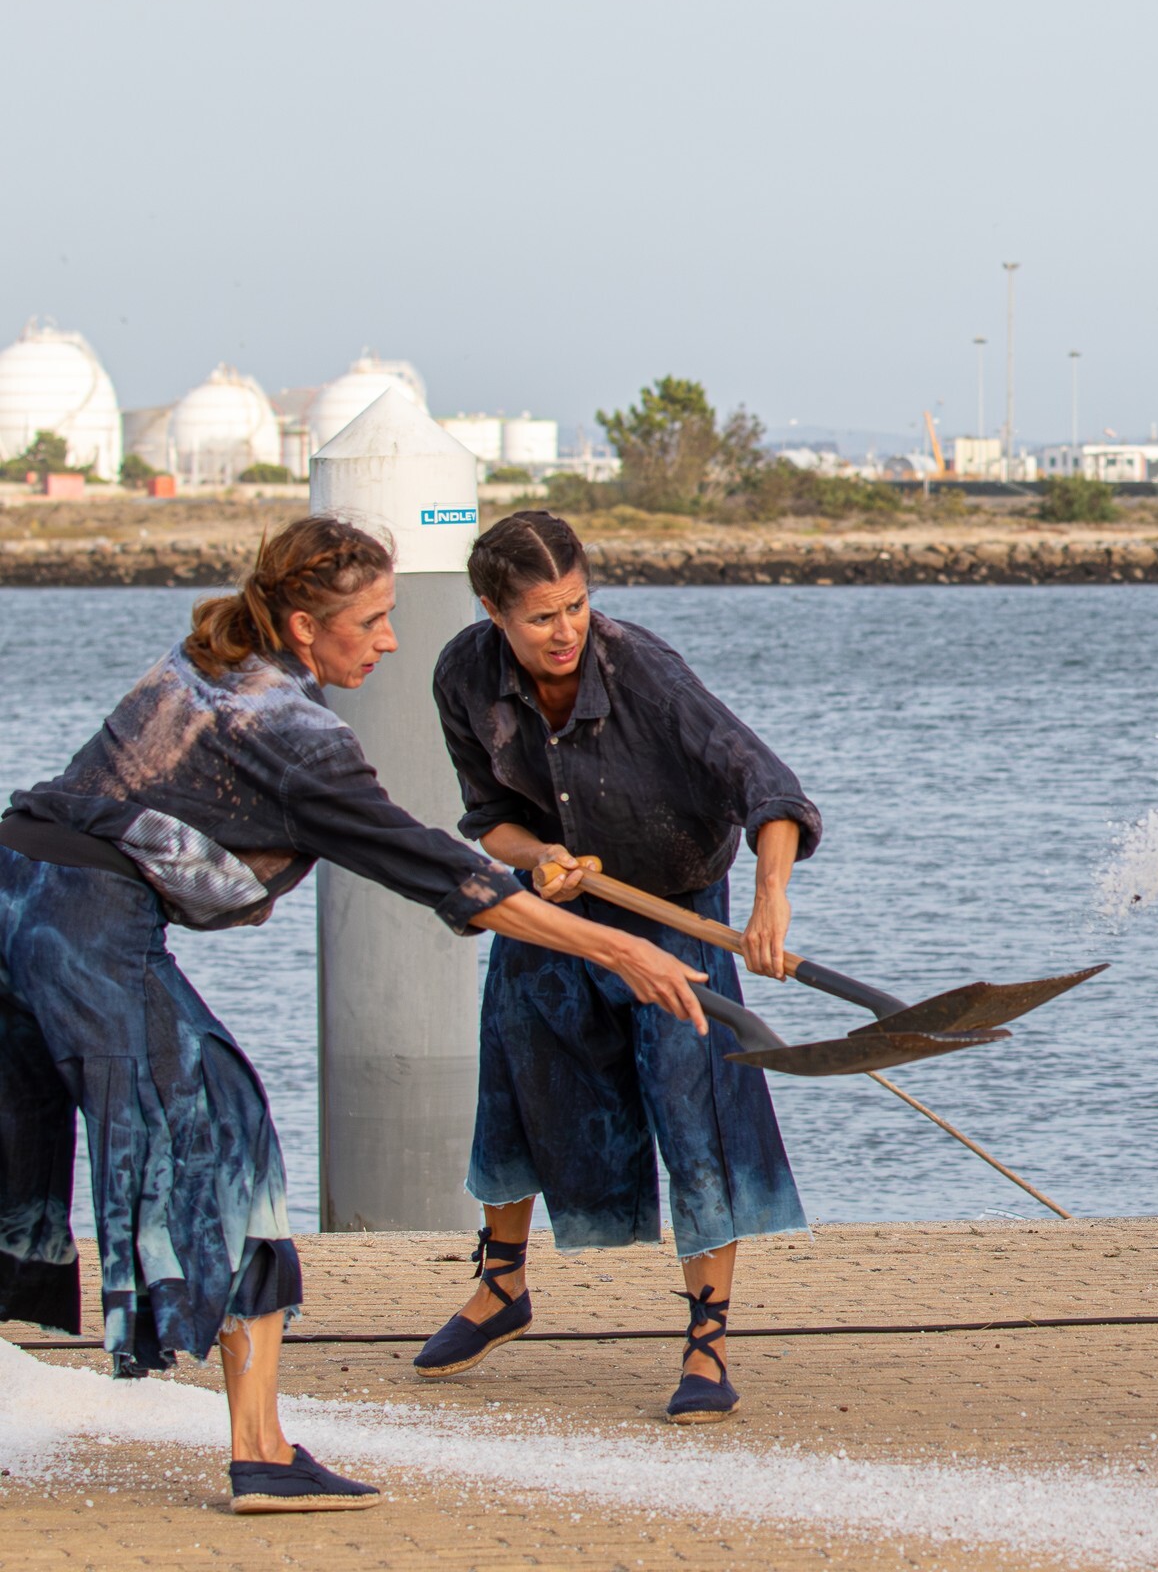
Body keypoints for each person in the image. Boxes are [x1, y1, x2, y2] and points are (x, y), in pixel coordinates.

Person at [0, 517, 711, 1513]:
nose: (387, 641)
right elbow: (439, 870)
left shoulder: (208, 660)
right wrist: (619, 947)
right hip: (81, 926)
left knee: (15, 1156)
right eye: (373, 622)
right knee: (233, 1144)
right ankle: (259, 1453)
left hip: (10, 895)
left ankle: (256, 1444)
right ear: (304, 625)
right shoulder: (295, 735)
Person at [414, 510, 817, 1423]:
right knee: (516, 1079)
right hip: (557, 908)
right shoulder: (462, 673)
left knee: (695, 1104)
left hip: (674, 906)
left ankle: (708, 1344)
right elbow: (491, 820)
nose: (566, 632)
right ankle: (501, 1286)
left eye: (578, 606)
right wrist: (538, 859)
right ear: (493, 612)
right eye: (542, 617)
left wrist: (769, 898)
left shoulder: (642, 669)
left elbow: (769, 786)